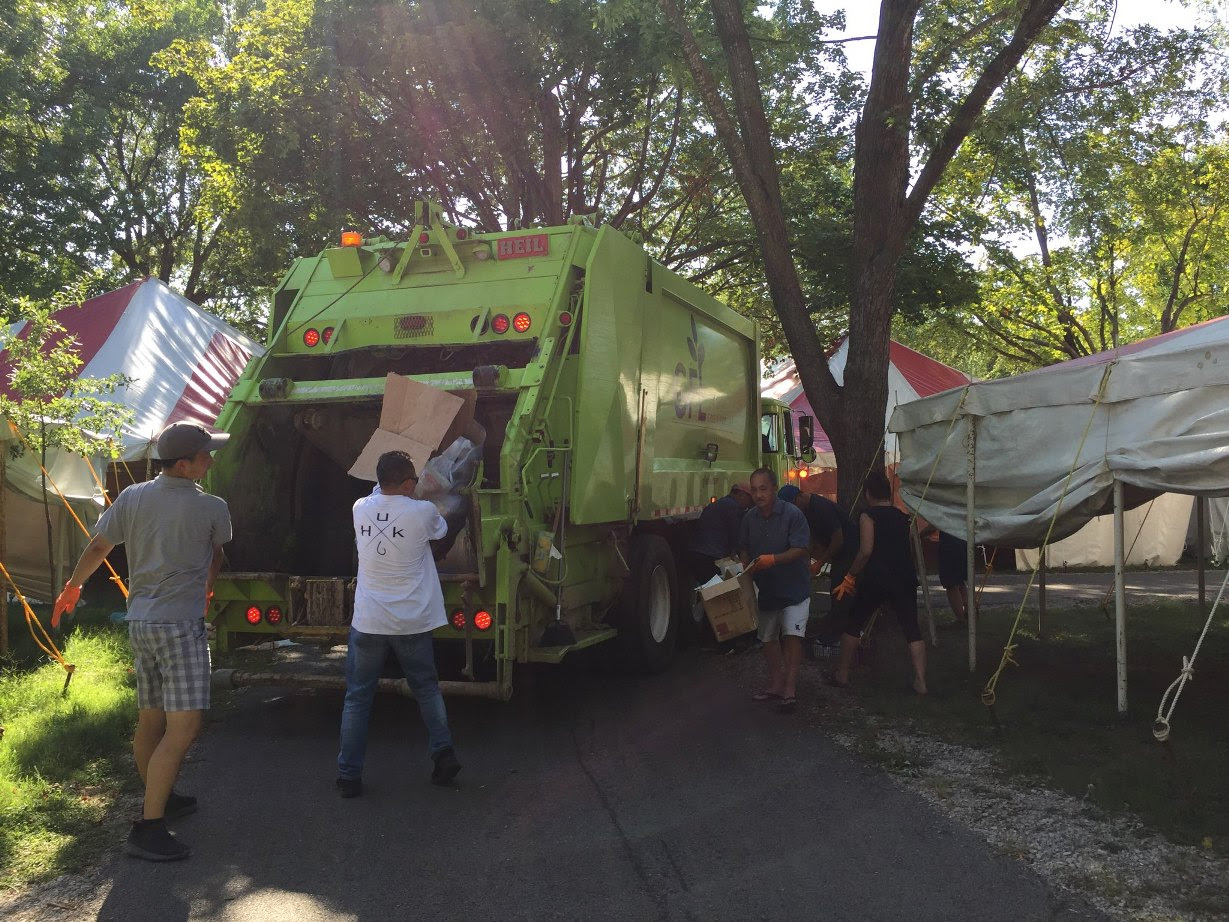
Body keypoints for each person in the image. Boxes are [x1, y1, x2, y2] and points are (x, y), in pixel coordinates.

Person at [52, 422, 232, 861]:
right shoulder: (212, 507)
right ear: (184, 464)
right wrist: (208, 587)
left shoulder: (132, 496)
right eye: (205, 455)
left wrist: (73, 587)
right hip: (180, 627)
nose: (211, 460)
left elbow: (99, 546)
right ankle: (149, 828)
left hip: (142, 624)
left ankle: (160, 794)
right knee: (184, 727)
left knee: (151, 719)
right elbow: (216, 554)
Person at [336, 450, 461, 798]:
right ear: (408, 483)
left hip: (369, 620)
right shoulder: (423, 512)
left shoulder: (359, 508)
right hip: (411, 621)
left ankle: (349, 776)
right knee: (426, 689)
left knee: (357, 698)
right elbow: (441, 530)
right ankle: (444, 754)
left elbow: (380, 495)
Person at [826, 469, 927, 695]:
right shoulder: (902, 516)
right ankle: (921, 680)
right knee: (912, 628)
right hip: (904, 577)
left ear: (868, 494)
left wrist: (850, 575)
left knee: (855, 623)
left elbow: (866, 550)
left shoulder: (867, 515)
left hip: (877, 577)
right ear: (888, 493)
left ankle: (842, 674)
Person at [740, 467, 810, 714]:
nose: (758, 495)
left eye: (763, 489)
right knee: (768, 638)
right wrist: (746, 567)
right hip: (767, 588)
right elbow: (744, 546)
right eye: (754, 490)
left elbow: (801, 548)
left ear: (774, 489)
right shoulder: (749, 518)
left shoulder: (792, 514)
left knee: (792, 636)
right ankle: (776, 684)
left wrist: (773, 560)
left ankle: (789, 688)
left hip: (794, 587)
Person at [777, 483, 858, 641]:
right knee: (836, 590)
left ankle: (839, 633)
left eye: (792, 506)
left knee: (840, 592)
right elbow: (811, 540)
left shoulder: (821, 508)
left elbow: (838, 539)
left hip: (849, 554)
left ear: (799, 497)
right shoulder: (805, 512)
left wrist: (820, 563)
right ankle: (834, 628)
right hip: (838, 556)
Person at [686, 481, 753, 584]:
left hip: (696, 553)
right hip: (710, 556)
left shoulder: (720, 504)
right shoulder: (734, 508)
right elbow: (738, 539)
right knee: (716, 589)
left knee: (707, 587)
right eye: (750, 499)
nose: (750, 503)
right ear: (740, 495)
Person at [938, 530, 970, 624]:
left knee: (951, 584)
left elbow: (934, 525)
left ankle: (960, 619)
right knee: (960, 582)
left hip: (949, 545)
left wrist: (919, 533)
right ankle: (969, 612)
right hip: (963, 541)